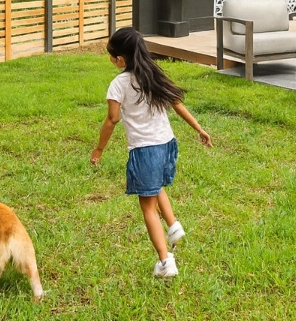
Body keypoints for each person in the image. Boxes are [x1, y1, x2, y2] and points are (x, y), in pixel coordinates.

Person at [89, 27, 212, 279]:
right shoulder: (153, 74)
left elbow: (112, 120)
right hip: (167, 144)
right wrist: (199, 129)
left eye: (111, 56)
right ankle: (173, 225)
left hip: (145, 149)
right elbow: (177, 104)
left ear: (120, 59)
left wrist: (99, 149)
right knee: (155, 186)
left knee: (147, 207)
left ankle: (165, 262)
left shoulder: (119, 84)